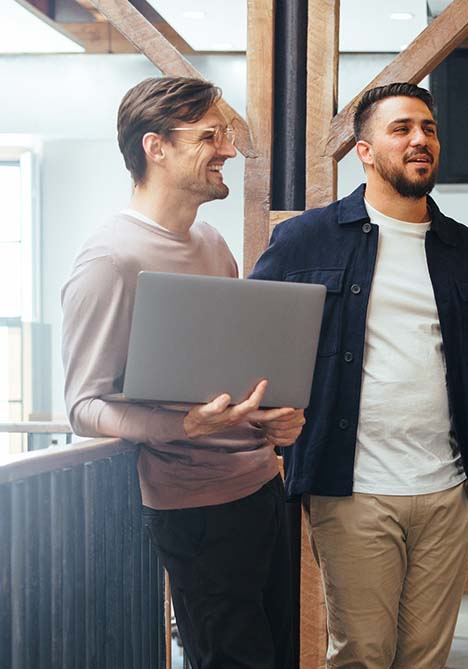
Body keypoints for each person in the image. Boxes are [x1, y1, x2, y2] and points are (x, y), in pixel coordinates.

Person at [249, 82, 468, 669]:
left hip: (449, 489)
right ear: (365, 151)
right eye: (401, 129)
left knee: (425, 658)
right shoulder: (303, 240)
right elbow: (257, 347)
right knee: (361, 655)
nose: (420, 140)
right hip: (352, 489)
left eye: (428, 128)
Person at [61, 76, 302, 668]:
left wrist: (271, 422)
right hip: (195, 509)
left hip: (262, 489)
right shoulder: (109, 260)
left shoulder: (213, 243)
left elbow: (230, 370)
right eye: (210, 135)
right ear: (156, 147)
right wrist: (186, 427)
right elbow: (84, 407)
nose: (226, 149)